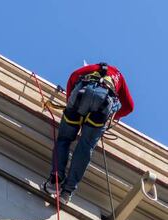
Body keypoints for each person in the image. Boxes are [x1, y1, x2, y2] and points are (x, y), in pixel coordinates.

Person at [43, 62, 134, 204]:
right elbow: (129, 107)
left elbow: (73, 77)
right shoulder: (119, 77)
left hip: (80, 97)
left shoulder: (94, 68)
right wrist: (112, 116)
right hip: (102, 106)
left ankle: (55, 179)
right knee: (85, 147)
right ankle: (67, 192)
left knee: (64, 139)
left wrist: (70, 103)